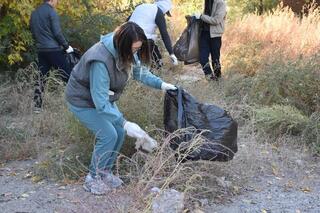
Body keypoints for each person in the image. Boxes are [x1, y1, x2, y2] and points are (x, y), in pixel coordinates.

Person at [65, 22, 177, 195]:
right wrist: (125, 122)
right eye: (134, 49)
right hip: (82, 100)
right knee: (108, 134)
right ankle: (93, 178)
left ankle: (105, 173)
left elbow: (139, 72)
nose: (136, 53)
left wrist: (162, 84)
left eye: (138, 49)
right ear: (122, 45)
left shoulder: (128, 48)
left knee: (119, 132)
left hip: (101, 97)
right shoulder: (100, 60)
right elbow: (101, 103)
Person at [30, 0, 74, 112]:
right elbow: (57, 33)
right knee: (68, 76)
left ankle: (37, 106)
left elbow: (33, 32)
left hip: (41, 50)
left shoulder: (34, 13)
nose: (57, 3)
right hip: (53, 50)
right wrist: (66, 46)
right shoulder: (51, 12)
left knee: (41, 78)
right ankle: (77, 104)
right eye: (57, 1)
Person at [128, 0, 178, 69]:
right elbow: (164, 34)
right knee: (157, 62)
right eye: (165, 13)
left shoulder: (141, 6)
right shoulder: (158, 11)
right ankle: (152, 70)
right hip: (140, 39)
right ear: (165, 8)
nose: (164, 15)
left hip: (127, 36)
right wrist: (171, 53)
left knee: (152, 52)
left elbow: (128, 20)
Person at [194, 0, 227, 81]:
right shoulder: (206, 1)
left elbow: (216, 20)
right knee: (203, 59)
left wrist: (201, 16)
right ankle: (211, 80)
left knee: (215, 60)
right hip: (204, 34)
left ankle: (218, 80)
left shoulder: (221, 3)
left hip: (215, 35)